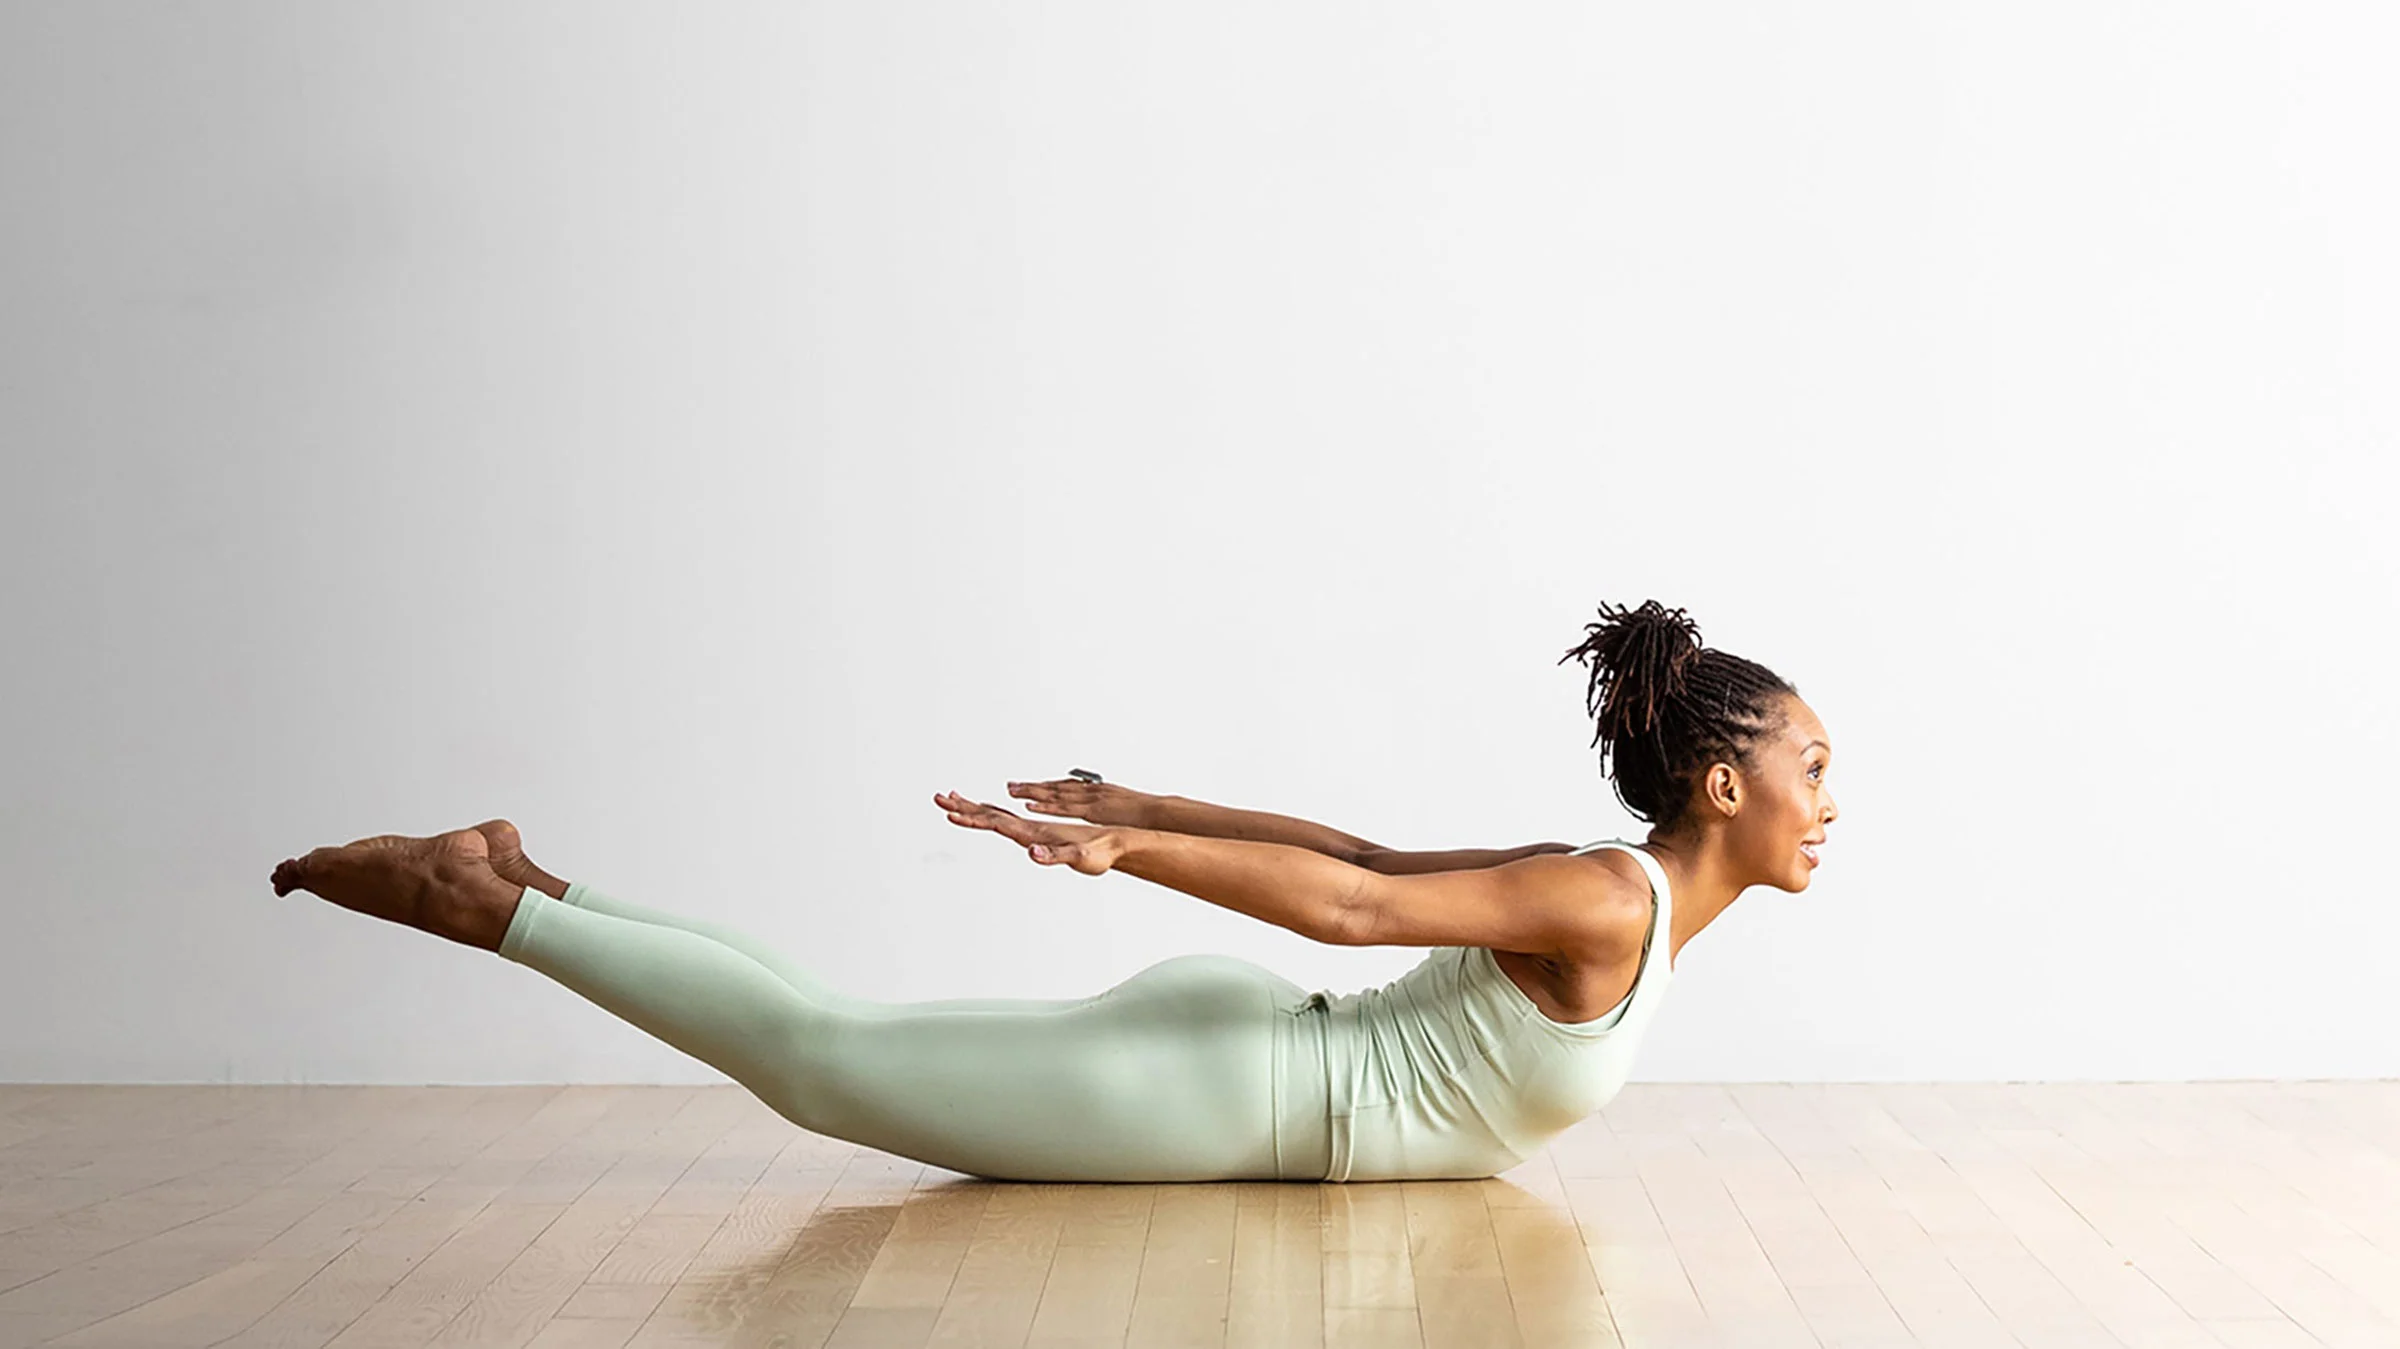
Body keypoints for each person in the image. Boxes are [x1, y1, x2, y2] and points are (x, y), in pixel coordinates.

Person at [271, 599, 1838, 1182]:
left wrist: (1156, 808)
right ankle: (488, 908)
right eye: (1813, 769)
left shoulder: (1597, 892)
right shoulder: (1610, 903)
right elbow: (1351, 904)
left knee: (838, 1033)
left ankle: (526, 880)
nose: (1828, 804)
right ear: (1723, 787)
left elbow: (1363, 861)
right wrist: (1135, 841)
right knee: (824, 1067)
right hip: (1244, 1092)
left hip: (1254, 1071)